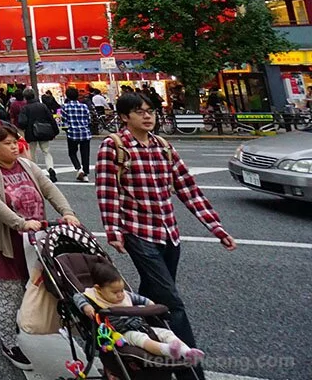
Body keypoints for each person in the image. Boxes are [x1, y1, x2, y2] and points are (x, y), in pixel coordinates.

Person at [95, 94, 234, 379]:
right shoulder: (115, 146)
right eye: (139, 112)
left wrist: (216, 227)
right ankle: (191, 371)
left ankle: (131, 351)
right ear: (124, 117)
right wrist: (114, 231)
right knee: (173, 302)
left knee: (150, 297)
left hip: (169, 234)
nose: (147, 116)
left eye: (151, 111)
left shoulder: (163, 147)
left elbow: (188, 189)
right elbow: (107, 191)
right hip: (138, 233)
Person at [0, 125, 80, 371]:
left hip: (36, 238)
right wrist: (20, 223)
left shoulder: (28, 166)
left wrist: (67, 212)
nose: (14, 147)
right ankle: (9, 343)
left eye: (15, 142)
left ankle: (15, 322)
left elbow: (49, 188)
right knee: (9, 292)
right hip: (3, 241)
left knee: (34, 287)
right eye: (8, 143)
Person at [74, 257, 205, 367]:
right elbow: (77, 297)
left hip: (139, 325)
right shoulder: (92, 295)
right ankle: (167, 350)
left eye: (121, 290)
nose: (120, 295)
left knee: (166, 333)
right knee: (142, 339)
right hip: (121, 332)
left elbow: (141, 299)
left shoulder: (125, 295)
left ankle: (187, 352)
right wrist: (86, 306)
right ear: (98, 288)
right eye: (115, 292)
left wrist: (151, 305)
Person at [18, 89, 59, 182]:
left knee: (32, 153)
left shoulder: (25, 108)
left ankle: (34, 172)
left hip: (31, 133)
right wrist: (55, 131)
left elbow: (22, 122)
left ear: (25, 98)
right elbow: (51, 118)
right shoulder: (42, 106)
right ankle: (50, 168)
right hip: (44, 131)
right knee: (46, 152)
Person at [60, 87, 92, 182]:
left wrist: (66, 130)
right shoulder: (84, 106)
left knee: (72, 153)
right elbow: (88, 120)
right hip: (85, 133)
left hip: (72, 133)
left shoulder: (64, 107)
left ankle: (79, 168)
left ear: (67, 96)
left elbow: (63, 121)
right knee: (85, 154)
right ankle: (85, 173)